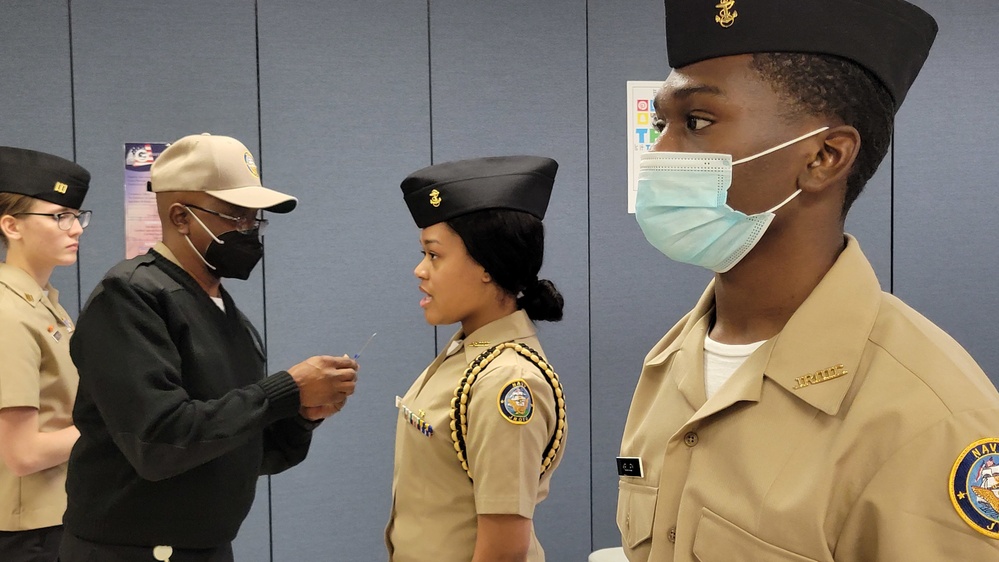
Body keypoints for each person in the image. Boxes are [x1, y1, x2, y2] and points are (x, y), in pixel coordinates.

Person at [617, 0, 999, 560]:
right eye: (660, 125)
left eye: (696, 122)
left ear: (824, 156)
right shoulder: (674, 360)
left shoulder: (931, 416)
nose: (659, 154)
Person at [59, 133, 358, 562]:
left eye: (255, 220)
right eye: (236, 218)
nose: (250, 232)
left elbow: (240, 448)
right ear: (180, 217)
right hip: (131, 551)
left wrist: (300, 414)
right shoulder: (129, 296)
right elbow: (160, 443)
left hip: (205, 547)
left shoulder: (222, 310)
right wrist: (285, 391)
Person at [387, 156, 569, 562]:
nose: (420, 270)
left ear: (488, 265)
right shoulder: (467, 353)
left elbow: (503, 551)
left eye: (434, 255)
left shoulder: (506, 382)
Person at [0, 148, 91, 562]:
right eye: (59, 216)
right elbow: (23, 454)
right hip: (27, 531)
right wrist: (113, 428)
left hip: (55, 515)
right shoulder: (9, 313)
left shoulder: (42, 303)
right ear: (11, 226)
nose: (75, 229)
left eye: (77, 215)